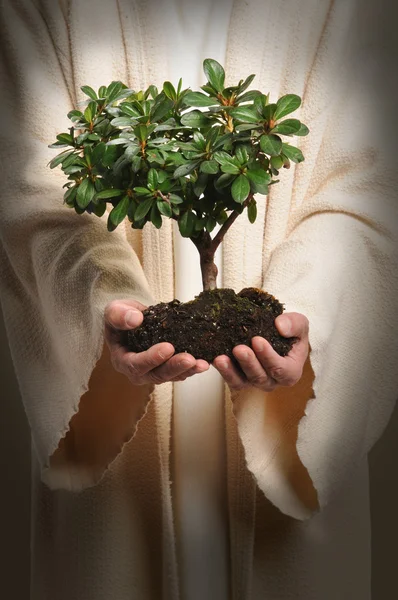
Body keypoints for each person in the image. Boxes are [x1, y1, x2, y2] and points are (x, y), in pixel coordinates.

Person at [1, 0, 397, 598]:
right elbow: (28, 180)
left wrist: (302, 316)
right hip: (120, 482)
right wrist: (105, 306)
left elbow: (371, 186)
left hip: (277, 497)